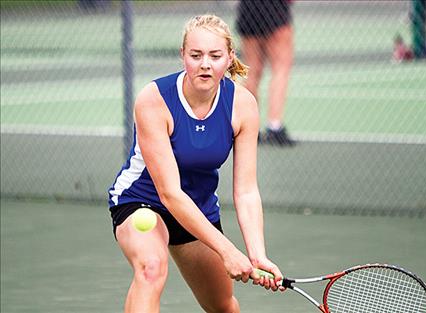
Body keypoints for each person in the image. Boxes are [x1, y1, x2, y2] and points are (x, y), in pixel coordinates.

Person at [108, 14, 283, 313]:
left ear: (229, 58)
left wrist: (257, 255)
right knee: (151, 268)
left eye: (215, 56)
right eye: (196, 55)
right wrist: (227, 250)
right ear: (182, 56)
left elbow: (246, 191)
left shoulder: (242, 105)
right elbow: (170, 193)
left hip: (198, 207)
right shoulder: (154, 99)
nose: (205, 64)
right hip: (143, 201)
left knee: (224, 306)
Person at [236, 0, 295, 146]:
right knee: (280, 68)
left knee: (251, 71)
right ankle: (274, 126)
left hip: (248, 10)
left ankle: (249, 126)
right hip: (275, 9)